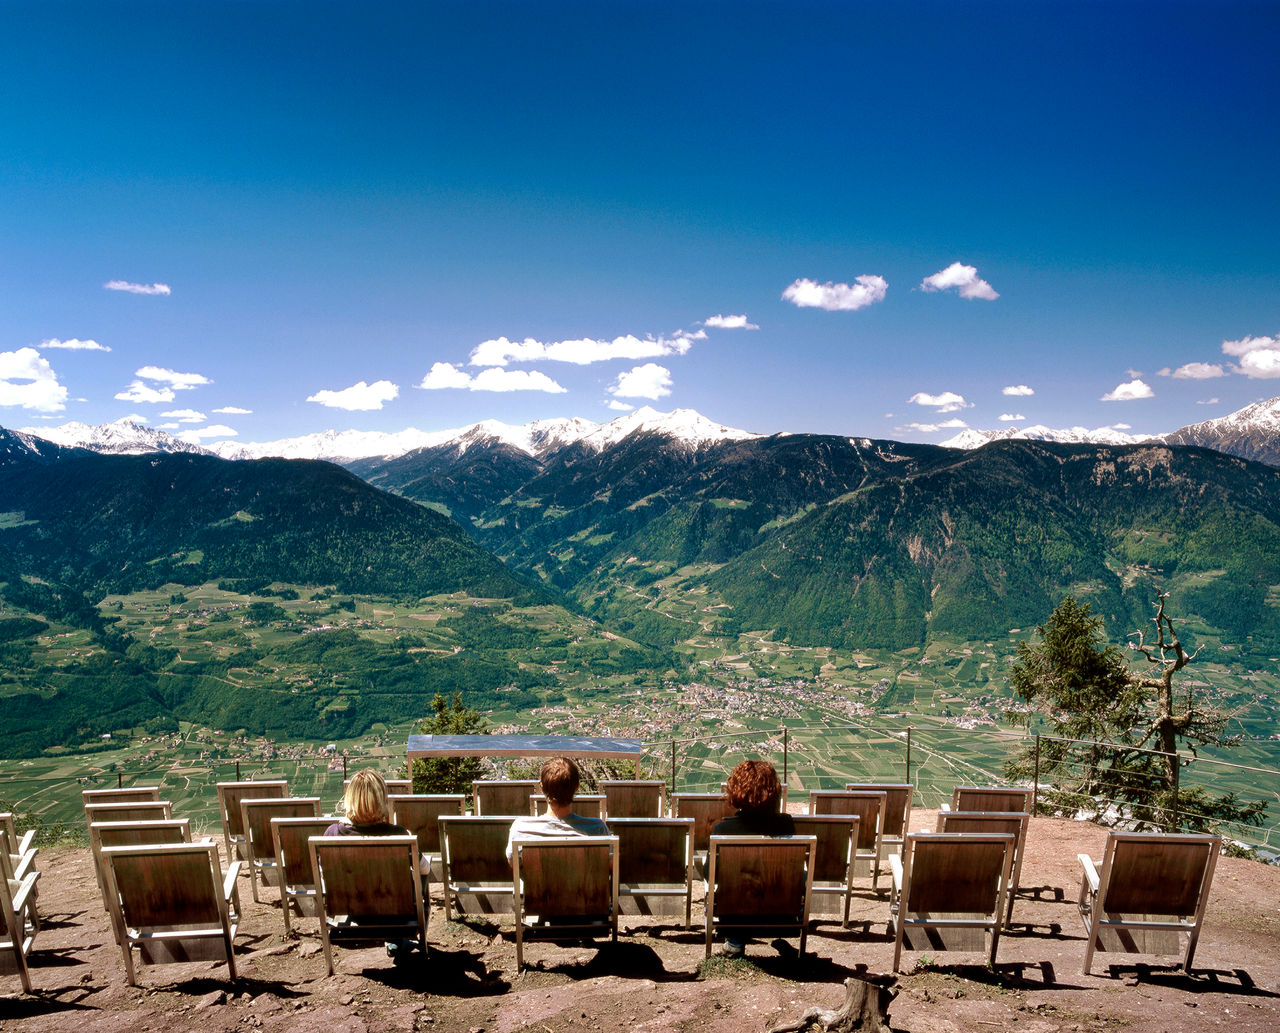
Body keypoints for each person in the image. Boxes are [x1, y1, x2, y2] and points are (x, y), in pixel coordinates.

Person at [325, 768, 430, 963]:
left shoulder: (332, 833)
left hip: (356, 914)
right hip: (398, 915)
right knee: (422, 870)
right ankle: (400, 937)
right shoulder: (398, 834)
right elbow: (424, 869)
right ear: (382, 799)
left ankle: (395, 942)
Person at [710, 759, 796, 957]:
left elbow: (710, 874)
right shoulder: (786, 825)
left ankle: (735, 942)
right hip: (783, 915)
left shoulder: (723, 830)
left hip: (734, 916)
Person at [505, 756, 610, 862]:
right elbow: (610, 864)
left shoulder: (520, 828)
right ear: (577, 787)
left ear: (541, 787)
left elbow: (513, 863)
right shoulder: (598, 829)